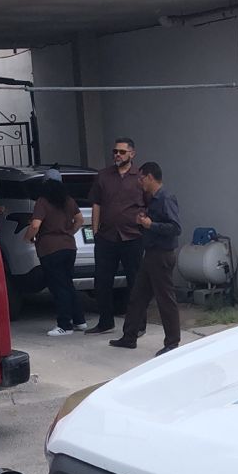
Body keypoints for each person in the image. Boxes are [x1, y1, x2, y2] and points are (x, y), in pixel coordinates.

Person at [110, 162, 182, 356]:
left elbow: (175, 228)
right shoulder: (153, 199)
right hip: (150, 253)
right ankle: (129, 336)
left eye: (141, 178)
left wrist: (151, 225)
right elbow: (153, 226)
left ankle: (172, 342)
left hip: (162, 254)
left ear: (150, 177)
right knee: (138, 296)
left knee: (165, 299)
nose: (139, 182)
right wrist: (142, 224)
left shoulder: (166, 198)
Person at [84, 137, 146, 334]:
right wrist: (95, 231)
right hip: (106, 237)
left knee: (135, 281)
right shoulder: (103, 176)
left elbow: (149, 203)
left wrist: (145, 226)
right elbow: (96, 204)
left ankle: (138, 324)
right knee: (102, 281)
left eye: (122, 152)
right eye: (115, 151)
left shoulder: (140, 177)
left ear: (132, 154)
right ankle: (105, 322)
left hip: (132, 236)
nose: (117, 155)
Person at [26, 177, 85, 336]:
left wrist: (28, 237)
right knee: (67, 284)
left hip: (50, 249)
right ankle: (79, 320)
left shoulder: (42, 202)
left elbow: (35, 225)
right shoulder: (68, 200)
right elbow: (80, 220)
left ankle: (64, 325)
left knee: (58, 287)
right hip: (69, 247)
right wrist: (70, 232)